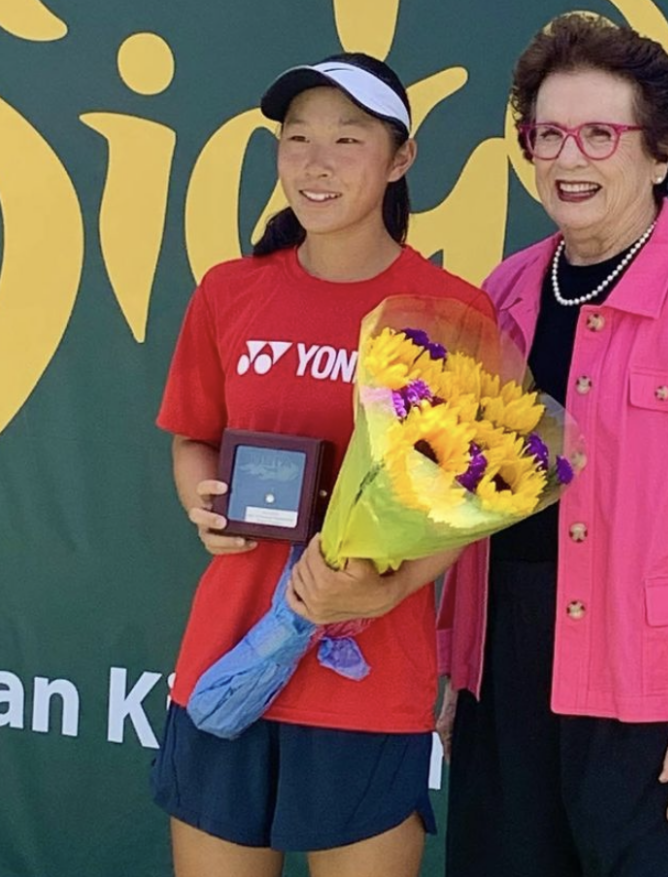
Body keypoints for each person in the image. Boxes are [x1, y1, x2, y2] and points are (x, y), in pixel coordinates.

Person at [437, 14, 668, 877]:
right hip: (511, 681)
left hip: (665, 694)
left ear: (662, 150)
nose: (569, 159)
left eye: (601, 134)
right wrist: (459, 665)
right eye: (548, 134)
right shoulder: (505, 293)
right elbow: (469, 503)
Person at [152, 52, 491, 877]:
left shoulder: (449, 311)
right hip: (227, 662)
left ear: (400, 159)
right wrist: (203, 500)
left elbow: (464, 506)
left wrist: (383, 588)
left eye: (347, 139)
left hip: (369, 678)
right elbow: (193, 435)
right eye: (296, 138)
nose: (315, 162)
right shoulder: (231, 290)